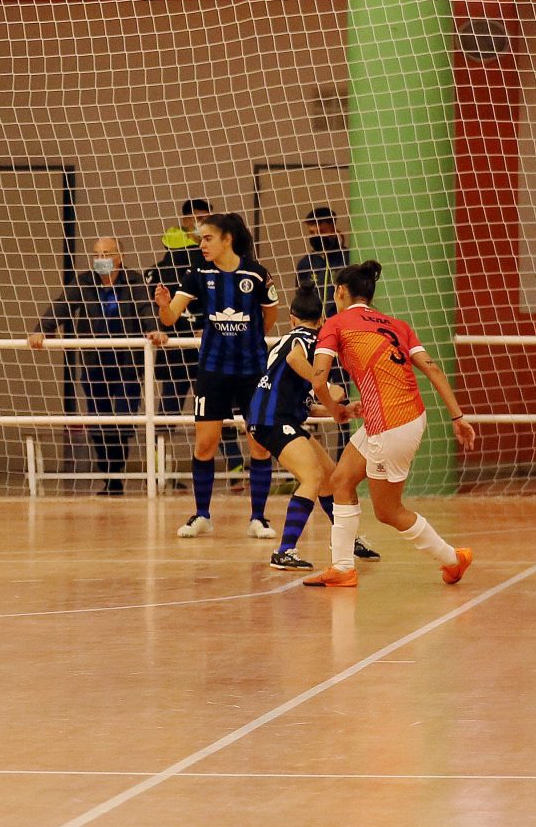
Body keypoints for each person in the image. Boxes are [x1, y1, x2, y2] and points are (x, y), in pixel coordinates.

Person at [301, 261, 477, 590]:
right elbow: (434, 370)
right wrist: (457, 417)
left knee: (388, 510)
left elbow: (318, 376)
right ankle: (342, 568)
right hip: (401, 417)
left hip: (390, 425)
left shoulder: (336, 324)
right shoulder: (398, 325)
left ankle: (453, 559)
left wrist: (335, 411)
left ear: (340, 291)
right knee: (341, 479)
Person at [157, 211, 279, 539]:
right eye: (200, 239)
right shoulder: (197, 274)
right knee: (205, 446)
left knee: (259, 446)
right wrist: (163, 305)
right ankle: (202, 515)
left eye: (208, 238)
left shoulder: (256, 273)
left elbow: (270, 314)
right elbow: (170, 319)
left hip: (252, 371)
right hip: (212, 371)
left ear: (228, 239)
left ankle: (258, 518)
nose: (202, 244)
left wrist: (248, 339)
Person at [245, 284, 380, 571]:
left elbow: (302, 400)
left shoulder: (285, 340)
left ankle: (346, 539)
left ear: (291, 317)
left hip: (276, 417)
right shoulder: (309, 340)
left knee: (330, 478)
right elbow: (297, 361)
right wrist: (328, 389)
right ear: (321, 321)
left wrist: (338, 409)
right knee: (312, 477)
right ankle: (285, 550)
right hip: (273, 419)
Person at [26, 236, 166, 496]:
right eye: (97, 254)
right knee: (98, 422)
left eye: (107, 253)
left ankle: (117, 473)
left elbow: (147, 310)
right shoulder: (85, 281)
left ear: (119, 257)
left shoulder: (134, 282)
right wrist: (41, 331)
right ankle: (110, 478)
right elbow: (62, 306)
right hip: (94, 363)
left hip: (127, 364)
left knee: (123, 421)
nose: (101, 259)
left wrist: (154, 330)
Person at [295, 207, 351, 321]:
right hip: (314, 326)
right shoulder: (305, 264)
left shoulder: (347, 258)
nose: (316, 236)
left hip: (341, 323)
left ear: (334, 230)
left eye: (321, 232)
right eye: (312, 232)